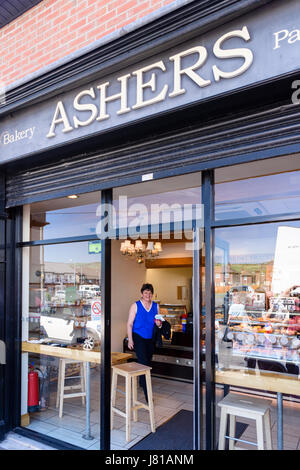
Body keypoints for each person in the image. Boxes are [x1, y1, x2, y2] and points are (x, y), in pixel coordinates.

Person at [127, 283, 160, 402]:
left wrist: (159, 324)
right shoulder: (135, 306)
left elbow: (158, 322)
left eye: (150, 293)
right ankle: (148, 396)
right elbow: (130, 324)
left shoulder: (156, 306)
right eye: (146, 293)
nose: (148, 295)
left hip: (150, 338)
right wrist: (130, 339)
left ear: (152, 294)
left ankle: (141, 382)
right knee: (144, 364)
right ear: (141, 294)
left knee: (147, 361)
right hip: (138, 337)